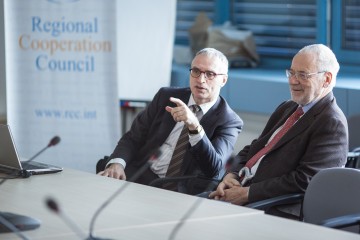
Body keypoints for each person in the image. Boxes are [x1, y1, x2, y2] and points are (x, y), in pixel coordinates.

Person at [209, 44, 349, 219]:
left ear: (326, 79)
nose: (292, 80)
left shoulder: (331, 123)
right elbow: (255, 148)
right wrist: (232, 174)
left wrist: (248, 193)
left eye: (302, 75)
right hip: (242, 191)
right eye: (291, 73)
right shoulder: (288, 107)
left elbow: (306, 180)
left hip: (271, 207)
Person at [98, 48, 243, 194]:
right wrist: (117, 163)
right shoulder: (166, 96)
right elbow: (133, 137)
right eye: (196, 71)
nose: (201, 80)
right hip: (140, 177)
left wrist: (194, 126)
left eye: (210, 74)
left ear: (223, 80)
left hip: (181, 190)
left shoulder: (229, 121)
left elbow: (214, 169)